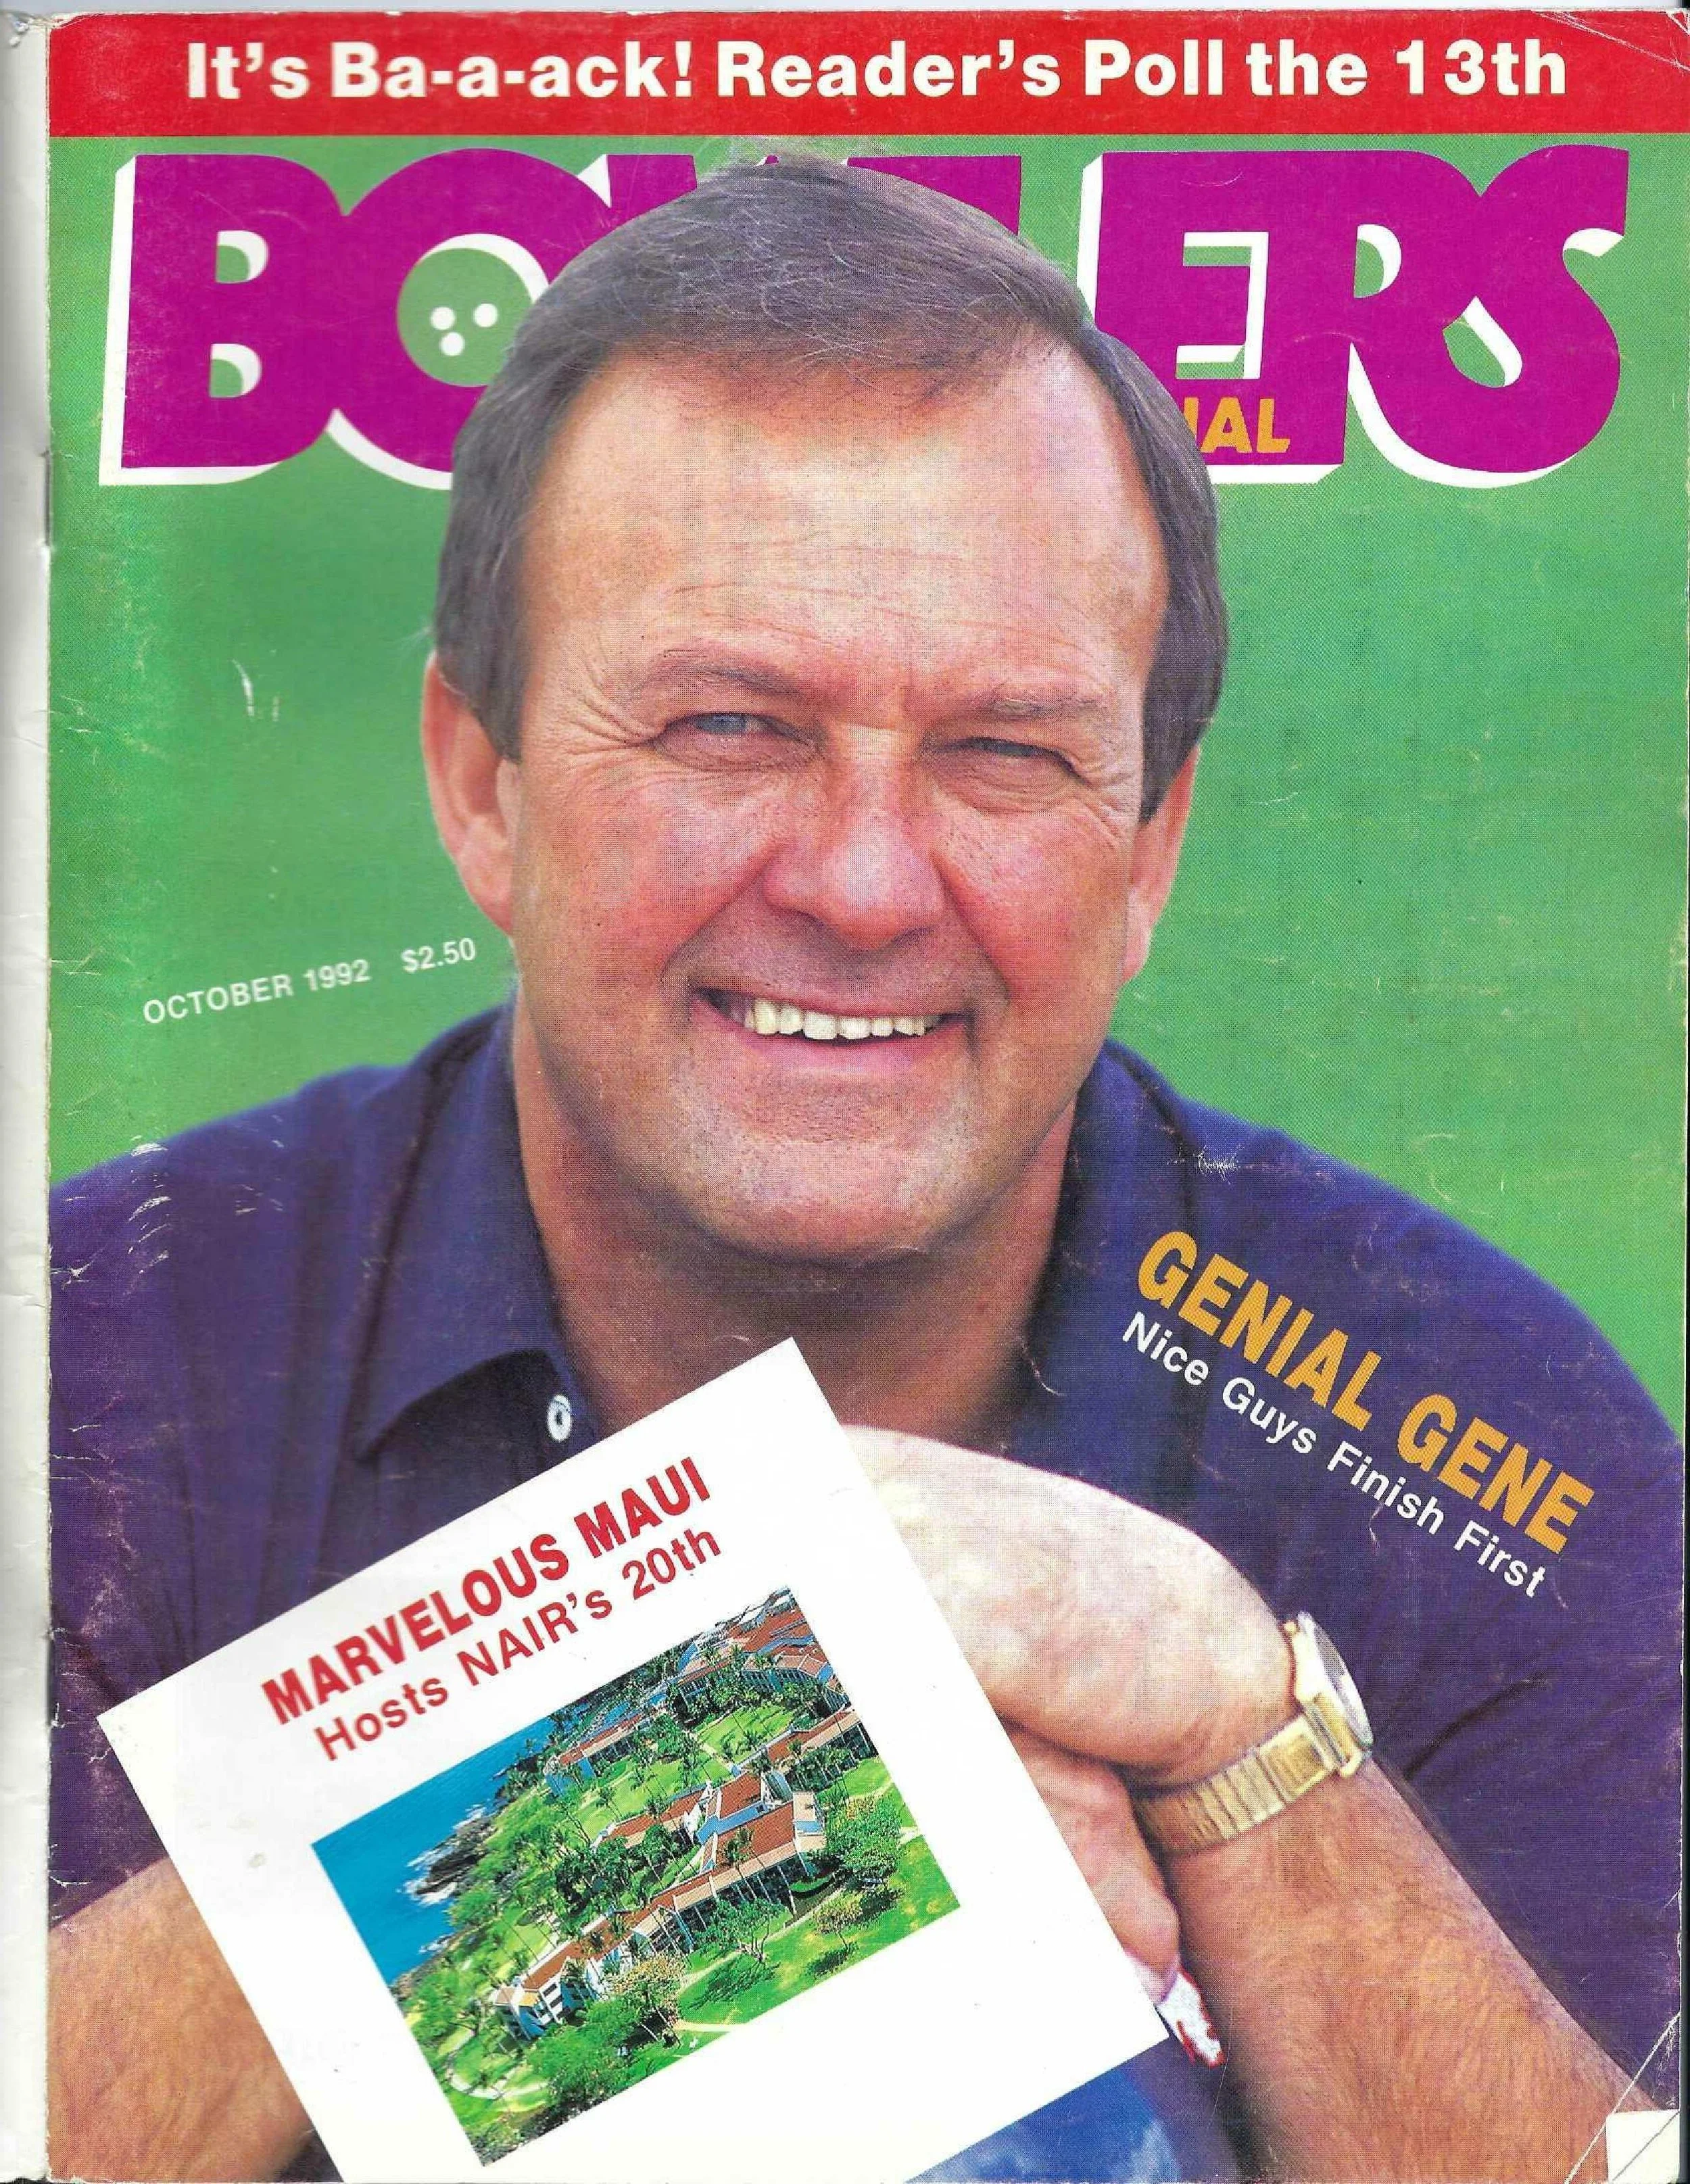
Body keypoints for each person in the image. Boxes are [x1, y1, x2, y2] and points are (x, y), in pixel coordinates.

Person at [49, 157, 1679, 2183]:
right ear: (481, 785)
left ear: (1152, 845)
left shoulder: (1479, 1430)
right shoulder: (90, 1356)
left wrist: (1230, 1714)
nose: (863, 882)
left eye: (1003, 752)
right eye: (731, 726)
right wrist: (689, 1753)